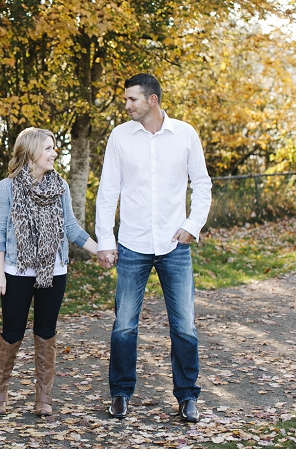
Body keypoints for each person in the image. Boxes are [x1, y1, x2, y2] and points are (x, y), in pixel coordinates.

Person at [95, 73, 212, 423]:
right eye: (126, 99)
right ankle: (120, 394)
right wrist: (105, 241)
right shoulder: (119, 137)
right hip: (132, 245)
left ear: (152, 100)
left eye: (132, 99)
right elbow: (108, 192)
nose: (126, 105)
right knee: (124, 326)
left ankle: (188, 397)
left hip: (174, 247)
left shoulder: (185, 135)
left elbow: (202, 185)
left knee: (184, 327)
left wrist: (192, 226)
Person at [0, 127, 99, 417]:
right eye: (49, 148)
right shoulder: (7, 188)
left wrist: (99, 250)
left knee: (46, 332)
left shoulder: (59, 186)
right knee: (12, 332)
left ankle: (43, 397)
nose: (54, 153)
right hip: (17, 270)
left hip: (54, 269)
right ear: (31, 152)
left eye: (54, 148)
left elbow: (71, 228)